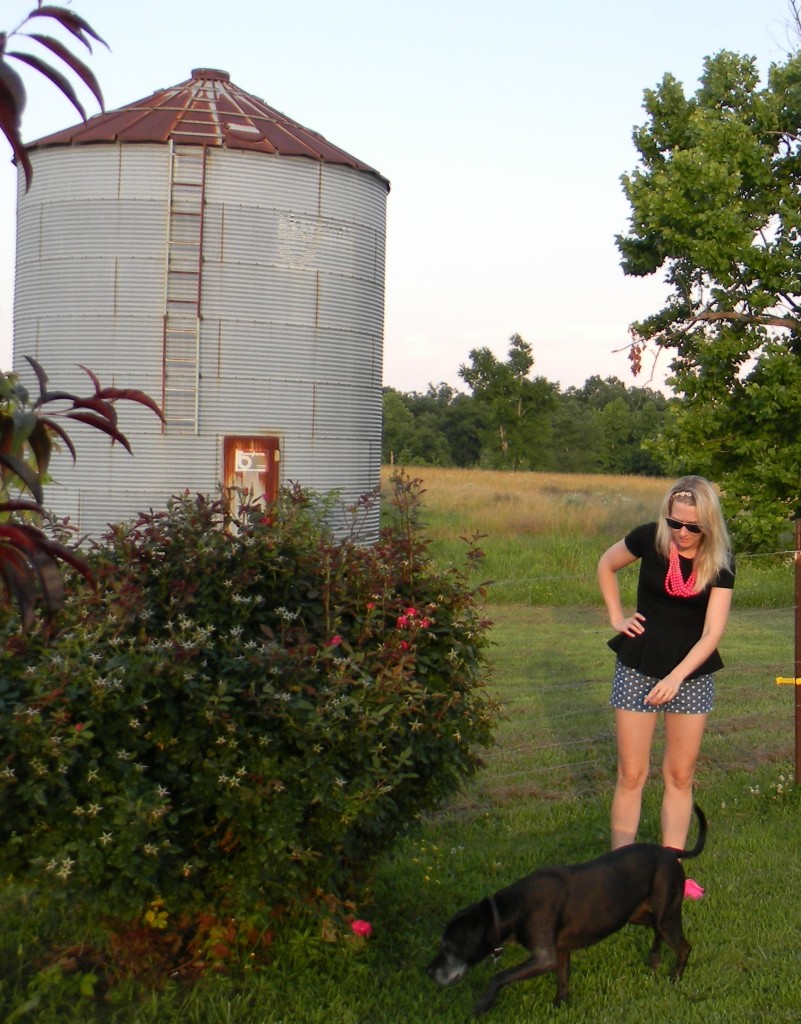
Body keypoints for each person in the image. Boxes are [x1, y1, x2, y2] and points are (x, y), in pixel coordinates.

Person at [597, 475, 734, 896]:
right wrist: (616, 616)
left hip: (689, 674)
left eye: (693, 527)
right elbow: (606, 564)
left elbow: (712, 633)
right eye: (675, 523)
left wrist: (676, 678)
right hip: (638, 664)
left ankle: (669, 876)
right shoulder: (650, 540)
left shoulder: (722, 560)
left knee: (679, 775)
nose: (682, 534)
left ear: (709, 524)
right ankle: (622, 876)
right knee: (632, 773)